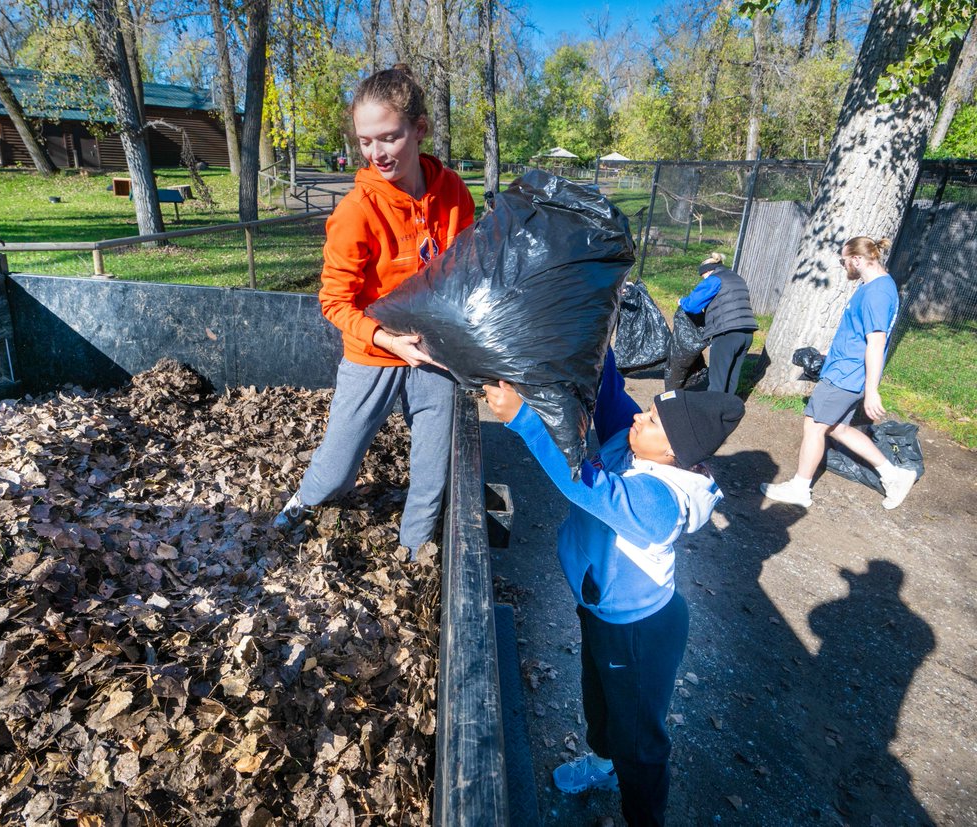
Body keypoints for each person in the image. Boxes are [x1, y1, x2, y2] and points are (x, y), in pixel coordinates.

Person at [485, 349, 745, 827]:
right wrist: (598, 332)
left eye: (651, 421)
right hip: (605, 611)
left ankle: (644, 816)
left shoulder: (660, 502)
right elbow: (609, 395)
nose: (639, 418)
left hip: (640, 631)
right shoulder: (640, 443)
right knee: (598, 699)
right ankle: (602, 766)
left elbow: (587, 486)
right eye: (647, 411)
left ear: (672, 454)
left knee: (639, 740)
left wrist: (523, 418)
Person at [272, 65, 476, 552]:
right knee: (338, 467)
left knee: (433, 470)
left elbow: (467, 271)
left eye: (388, 137)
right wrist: (386, 339)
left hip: (434, 352)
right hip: (374, 352)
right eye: (366, 141)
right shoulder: (357, 211)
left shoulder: (453, 194)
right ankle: (299, 508)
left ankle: (414, 552)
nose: (376, 153)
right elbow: (334, 301)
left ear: (419, 129)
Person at [761, 236, 917, 510]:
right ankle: (895, 475)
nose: (843, 265)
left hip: (847, 375)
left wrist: (871, 389)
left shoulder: (877, 293)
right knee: (838, 428)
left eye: (843, 261)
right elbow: (859, 334)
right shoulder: (875, 285)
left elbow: (876, 342)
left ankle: (800, 488)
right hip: (844, 368)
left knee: (814, 426)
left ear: (857, 260)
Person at [677, 252, 757, 395]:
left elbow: (692, 305)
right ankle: (727, 410)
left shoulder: (714, 279)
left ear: (707, 271)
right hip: (747, 333)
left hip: (727, 334)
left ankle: (712, 413)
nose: (703, 279)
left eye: (703, 276)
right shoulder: (736, 278)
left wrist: (681, 301)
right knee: (732, 379)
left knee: (717, 380)